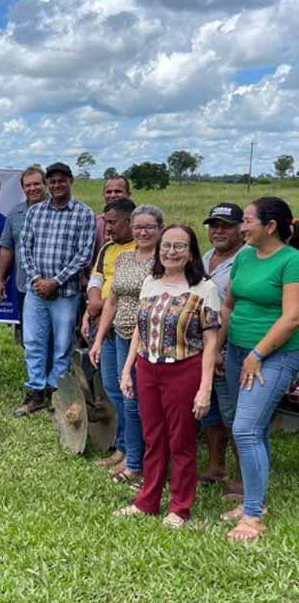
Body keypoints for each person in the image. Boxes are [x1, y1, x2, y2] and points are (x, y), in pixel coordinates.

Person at [114, 225, 220, 528]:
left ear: (190, 252)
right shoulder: (150, 282)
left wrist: (204, 388)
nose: (171, 252)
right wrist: (127, 370)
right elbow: (139, 329)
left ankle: (179, 508)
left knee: (181, 441)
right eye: (167, 246)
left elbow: (211, 341)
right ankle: (147, 501)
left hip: (184, 369)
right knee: (153, 438)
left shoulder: (204, 289)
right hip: (147, 368)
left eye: (179, 246)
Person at [218, 197, 299, 542]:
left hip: (273, 356)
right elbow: (228, 305)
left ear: (271, 226)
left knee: (246, 428)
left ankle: (252, 517)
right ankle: (257, 502)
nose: (242, 227)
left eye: (248, 220)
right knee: (257, 428)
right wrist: (218, 348)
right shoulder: (245, 257)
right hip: (237, 351)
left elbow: (292, 317)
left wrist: (258, 353)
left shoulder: (292, 261)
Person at [89, 204, 163, 487]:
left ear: (159, 230)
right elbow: (112, 300)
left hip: (146, 340)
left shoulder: (162, 260)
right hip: (118, 334)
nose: (143, 232)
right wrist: (98, 338)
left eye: (149, 227)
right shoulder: (122, 258)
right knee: (116, 392)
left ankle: (135, 461)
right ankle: (125, 448)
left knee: (133, 401)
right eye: (138, 227)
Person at [16, 162, 95, 416]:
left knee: (62, 346)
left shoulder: (83, 213)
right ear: (48, 184)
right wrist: (39, 279)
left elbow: (84, 254)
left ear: (71, 181)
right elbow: (24, 248)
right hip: (36, 291)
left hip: (66, 292)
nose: (57, 185)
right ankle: (35, 392)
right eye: (52, 181)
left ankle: (56, 393)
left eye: (62, 180)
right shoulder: (36, 212)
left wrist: (56, 281)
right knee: (33, 342)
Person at [82, 198, 136, 455]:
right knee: (113, 388)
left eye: (113, 222)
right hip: (103, 324)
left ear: (130, 221)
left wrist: (100, 304)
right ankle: (123, 443)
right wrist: (91, 305)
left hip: (126, 327)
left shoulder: (142, 249)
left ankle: (125, 448)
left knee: (127, 391)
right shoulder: (107, 249)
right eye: (106, 223)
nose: (108, 228)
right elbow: (96, 277)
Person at [198, 203, 245, 493]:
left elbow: (232, 307)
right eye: (214, 225)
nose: (218, 230)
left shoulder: (246, 259)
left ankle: (242, 477)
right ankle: (217, 467)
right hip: (204, 346)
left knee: (233, 413)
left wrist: (216, 349)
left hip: (227, 348)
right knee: (212, 411)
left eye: (226, 225)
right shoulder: (205, 258)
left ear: (241, 228)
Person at [0, 165, 47, 326]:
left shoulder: (59, 212)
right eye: (28, 185)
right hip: (25, 285)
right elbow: (7, 249)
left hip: (55, 286)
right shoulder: (15, 214)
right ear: (23, 188)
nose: (32, 188)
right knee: (29, 335)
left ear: (45, 184)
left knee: (57, 339)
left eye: (37, 184)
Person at [95, 175, 131, 254]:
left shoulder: (137, 222)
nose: (113, 195)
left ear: (129, 194)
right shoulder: (95, 223)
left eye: (118, 191)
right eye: (108, 192)